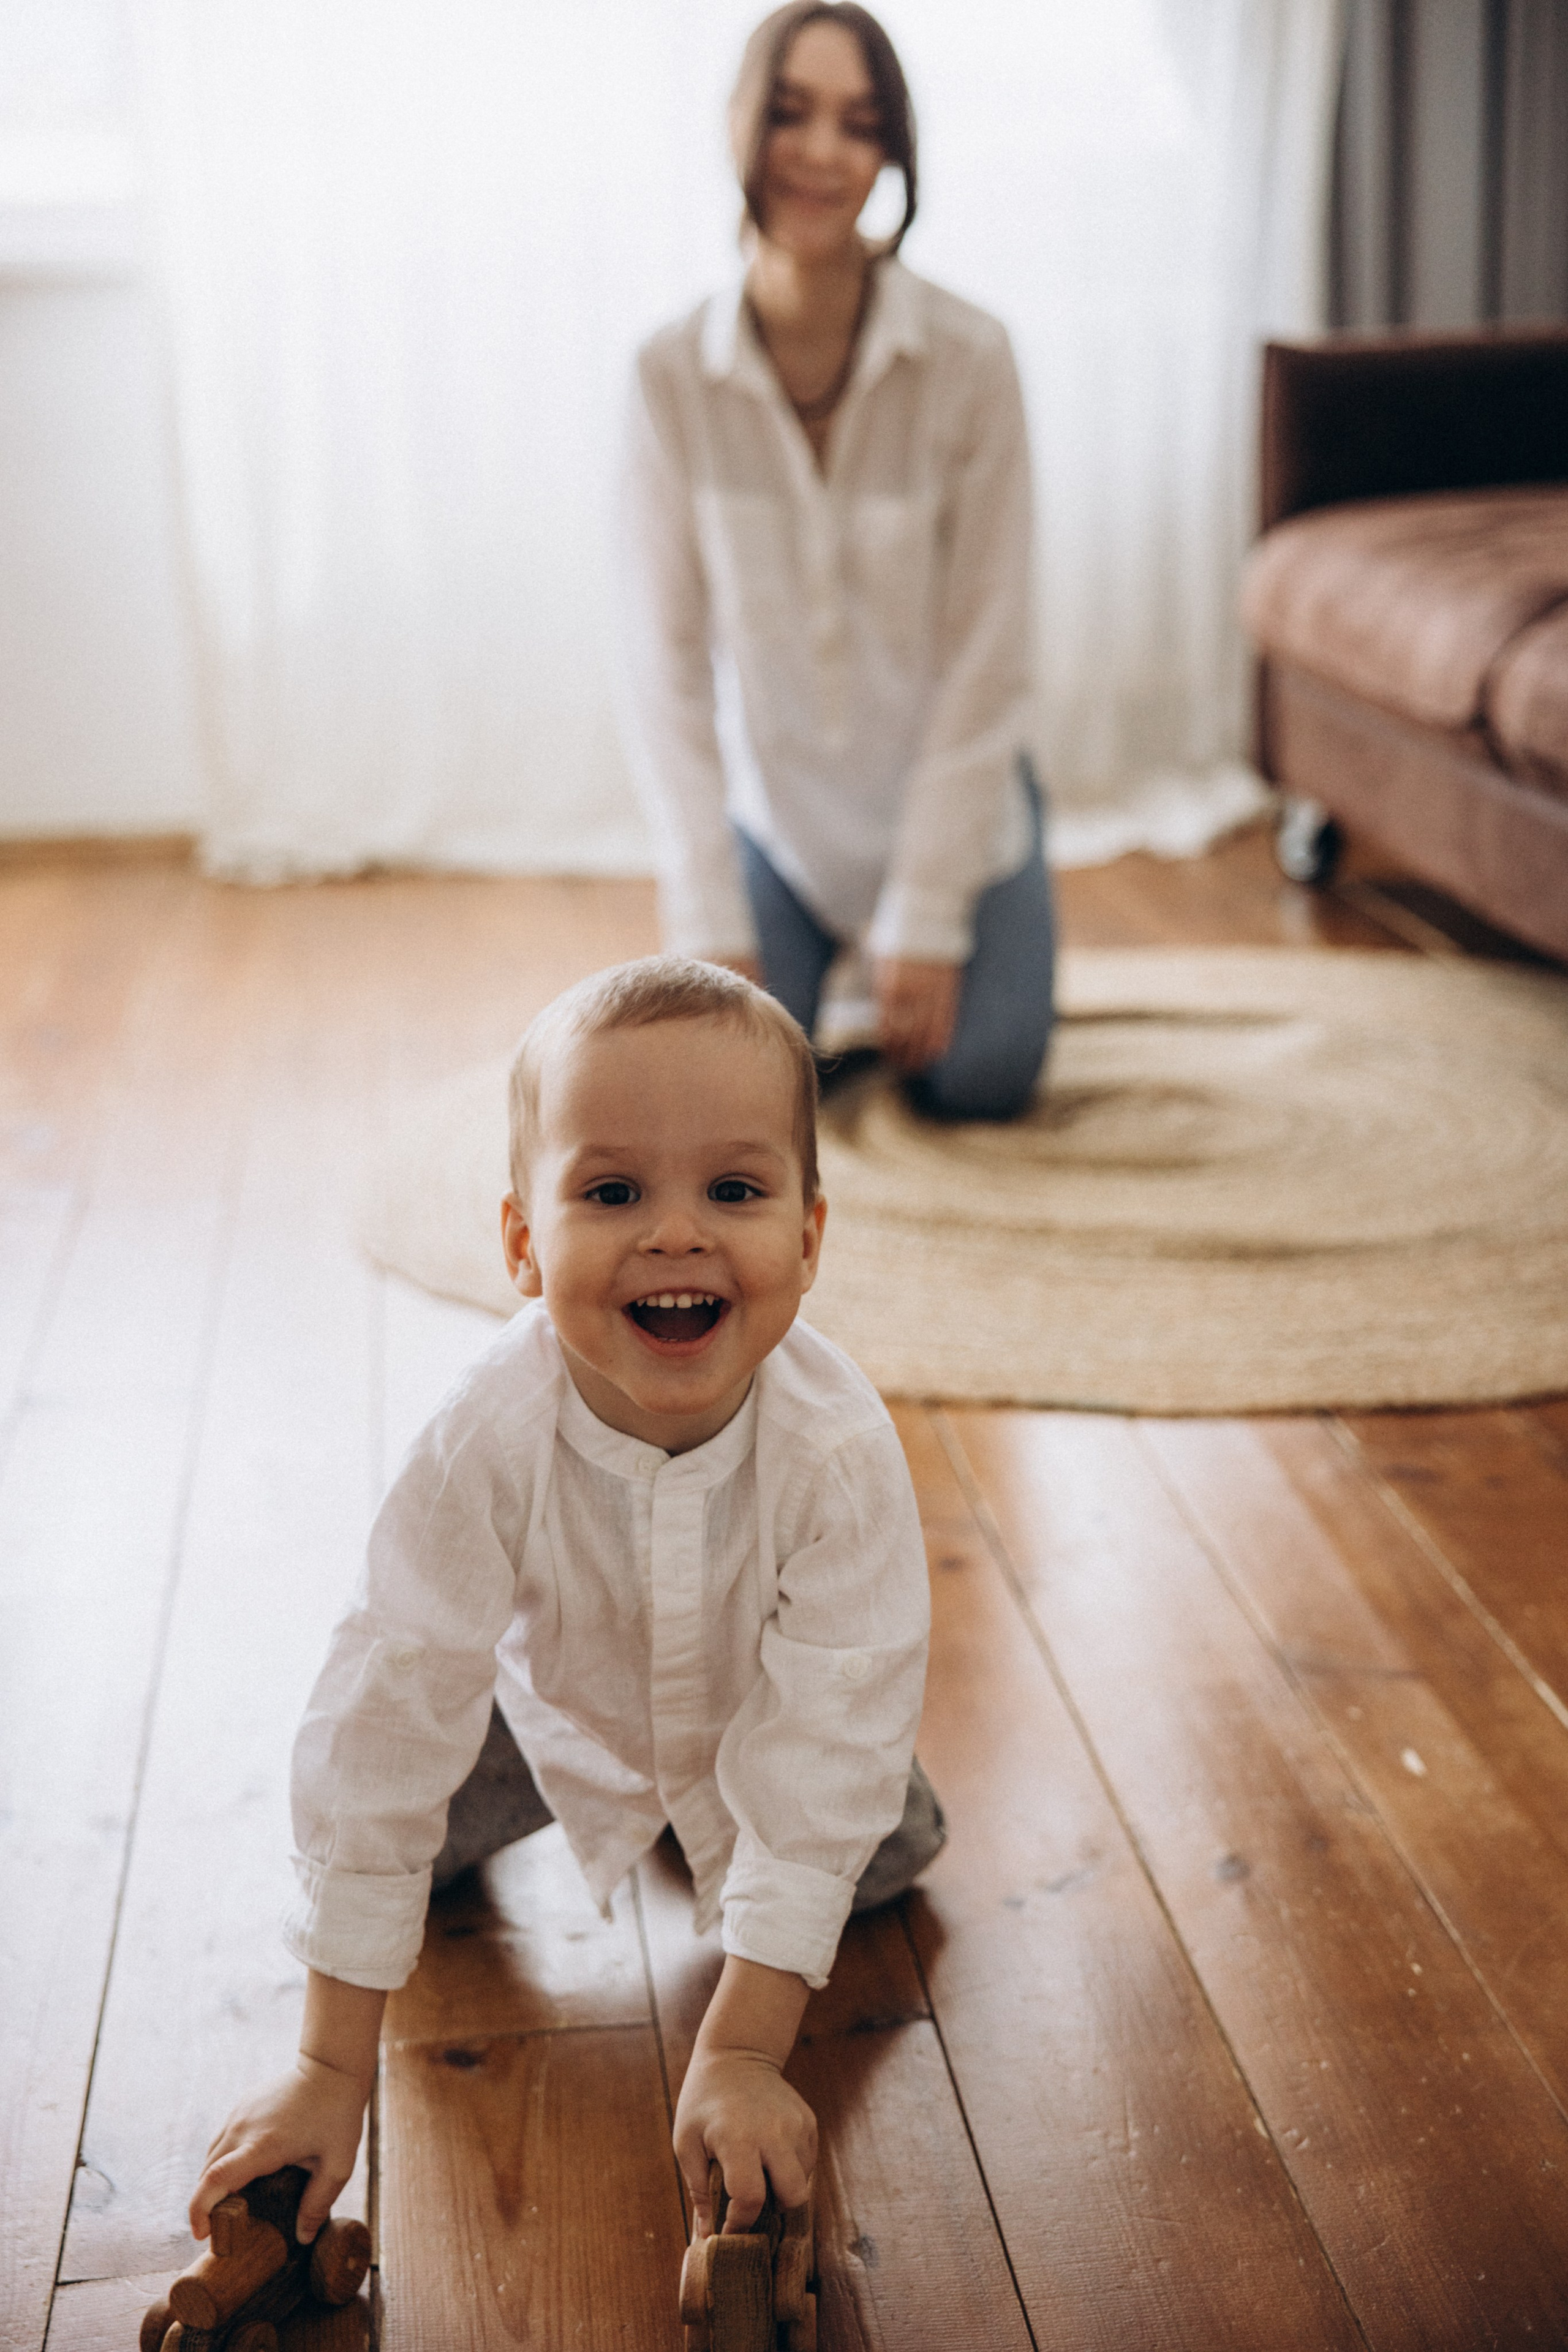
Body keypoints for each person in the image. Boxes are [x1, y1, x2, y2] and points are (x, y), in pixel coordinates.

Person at [188, 956, 940, 2247]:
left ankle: (710, 1824)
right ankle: (636, 1818)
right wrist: (327, 2069)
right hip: (547, 1716)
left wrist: (745, 2053)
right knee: (402, 1856)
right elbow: (391, 1698)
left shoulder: (839, 1451)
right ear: (524, 1246)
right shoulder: (481, 1435)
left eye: (735, 1190)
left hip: (763, 1711)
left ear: (807, 1240)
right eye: (611, 1192)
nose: (674, 1232)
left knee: (874, 1850)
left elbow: (834, 1727)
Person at [622, 1, 1055, 1118]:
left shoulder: (972, 359)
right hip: (784, 828)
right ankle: (818, 948)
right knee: (723, 1095)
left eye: (859, 124)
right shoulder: (667, 376)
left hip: (954, 805)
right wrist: (710, 921)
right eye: (791, 114)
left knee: (981, 1078)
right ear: (738, 128)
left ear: (891, 154)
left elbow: (991, 657)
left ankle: (982, 897)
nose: (822, 152)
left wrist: (925, 917)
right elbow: (661, 672)